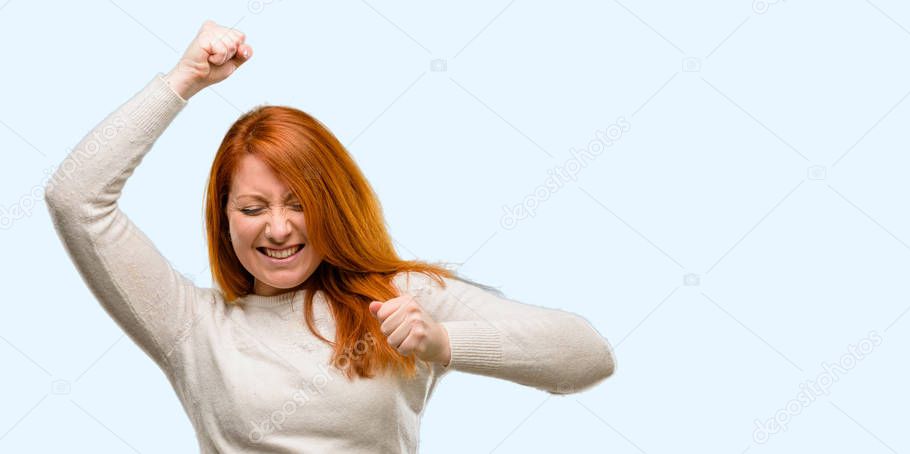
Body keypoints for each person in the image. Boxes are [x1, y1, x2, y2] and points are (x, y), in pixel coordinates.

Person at [44, 20, 615, 452]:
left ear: (333, 207)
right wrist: (183, 81)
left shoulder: (398, 299)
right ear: (224, 218)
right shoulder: (192, 328)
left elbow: (588, 357)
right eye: (252, 207)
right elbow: (76, 197)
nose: (278, 227)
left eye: (300, 204)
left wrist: (444, 345)